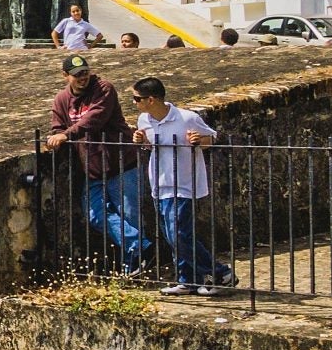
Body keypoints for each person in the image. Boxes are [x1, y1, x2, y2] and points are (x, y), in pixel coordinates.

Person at [43, 53, 151, 275]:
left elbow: (94, 119)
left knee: (130, 214)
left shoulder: (103, 88)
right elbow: (57, 125)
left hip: (121, 162)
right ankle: (140, 247)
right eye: (76, 75)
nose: (83, 78)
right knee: (95, 215)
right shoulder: (62, 99)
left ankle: (134, 264)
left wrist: (67, 134)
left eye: (85, 72)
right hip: (92, 167)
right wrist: (56, 137)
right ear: (65, 76)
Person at [131, 76, 232, 297]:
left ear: (152, 99)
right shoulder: (144, 120)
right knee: (171, 234)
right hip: (160, 182)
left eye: (137, 99)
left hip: (184, 183)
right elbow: (152, 147)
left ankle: (221, 272)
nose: (135, 103)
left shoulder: (187, 118)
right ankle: (188, 279)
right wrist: (142, 141)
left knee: (179, 233)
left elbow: (212, 139)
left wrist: (199, 140)